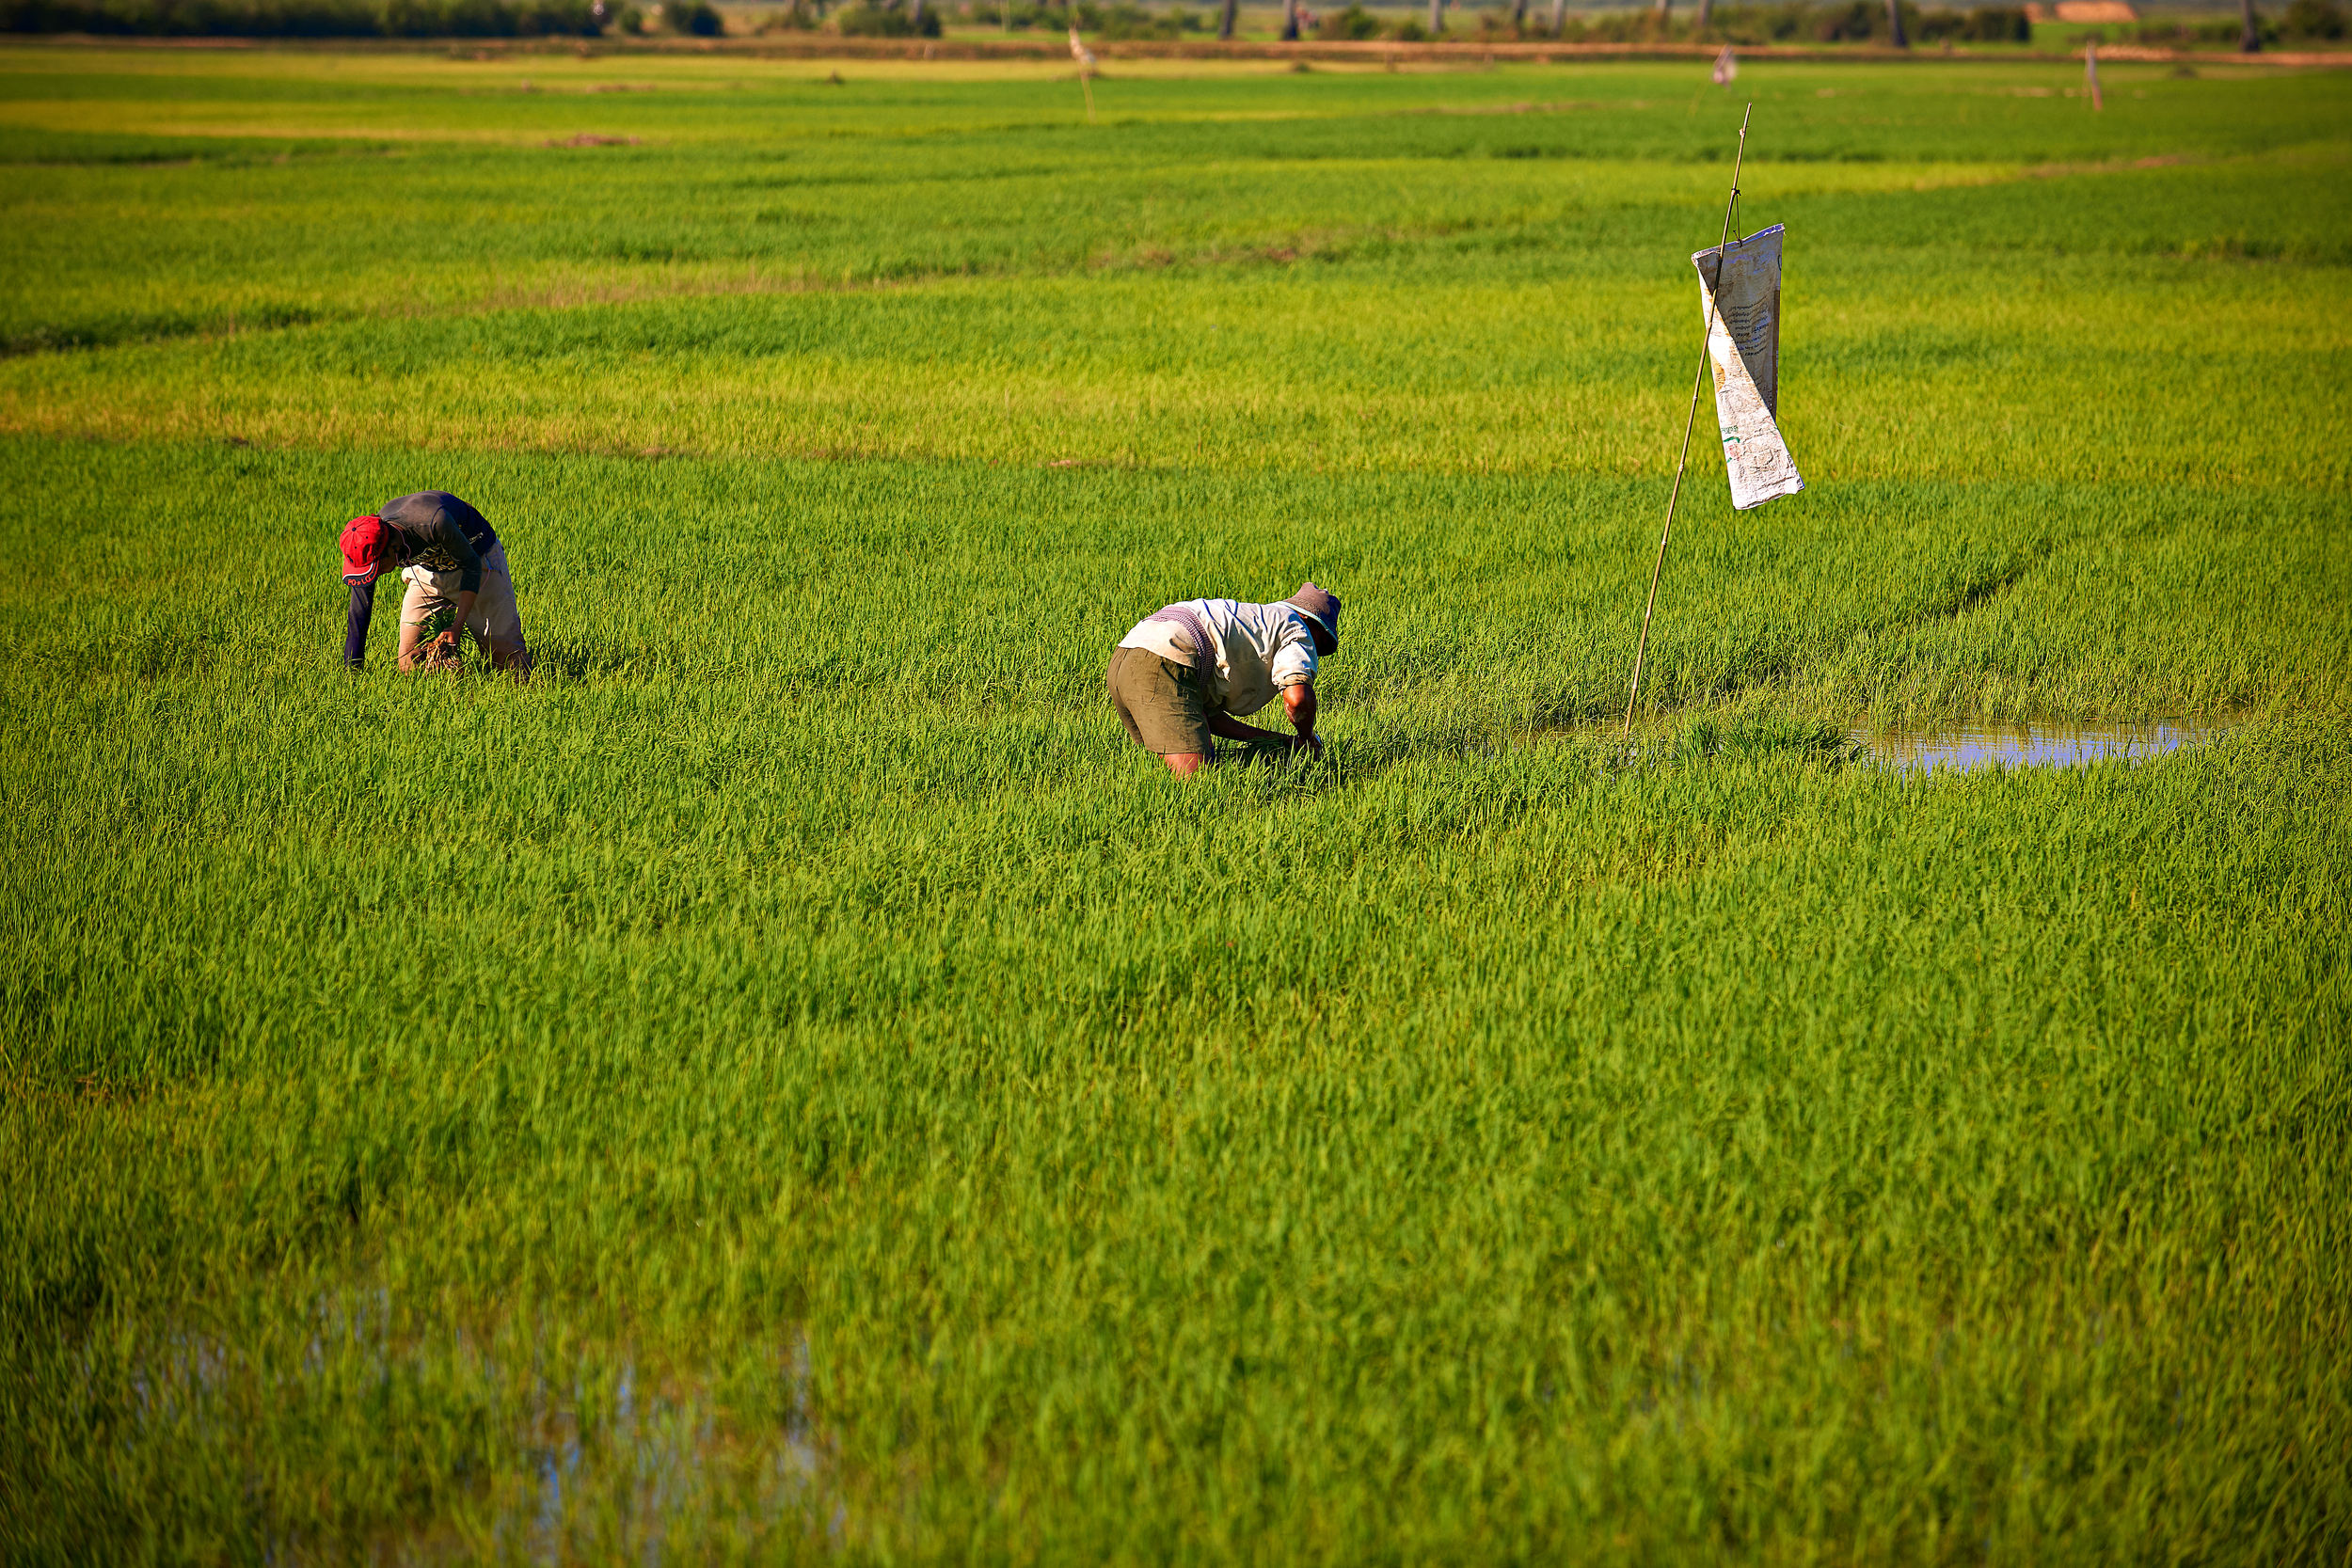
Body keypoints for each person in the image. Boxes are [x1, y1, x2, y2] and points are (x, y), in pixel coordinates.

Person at [1106, 582, 1341, 775]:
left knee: (1155, 772)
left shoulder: (1254, 621)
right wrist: (1307, 737)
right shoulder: (1298, 628)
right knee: (1197, 783)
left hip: (1126, 655)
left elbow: (1203, 717)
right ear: (1310, 621)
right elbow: (1297, 699)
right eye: (1322, 643)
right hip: (1164, 661)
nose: (1316, 653)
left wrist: (1279, 741)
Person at [339, 491, 531, 676]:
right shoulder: (369, 541)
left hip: (477, 562)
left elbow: (470, 566)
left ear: (394, 547)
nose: (375, 574)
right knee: (409, 659)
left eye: (377, 567)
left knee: (507, 660)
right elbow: (359, 610)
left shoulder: (433, 522)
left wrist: (456, 626)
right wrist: (352, 670)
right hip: (428, 572)